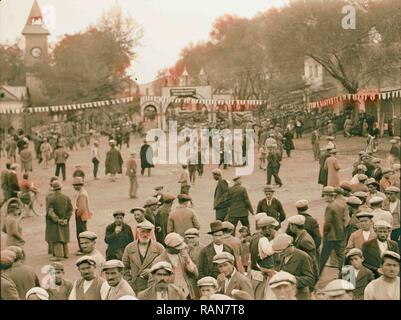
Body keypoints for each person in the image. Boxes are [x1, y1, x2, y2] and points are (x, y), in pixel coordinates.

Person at [122, 221, 165, 294]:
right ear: (137, 232)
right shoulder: (129, 247)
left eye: (148, 232)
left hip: (153, 286)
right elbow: (124, 267)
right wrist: (129, 282)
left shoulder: (159, 248)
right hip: (135, 287)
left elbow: (165, 266)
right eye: (142, 232)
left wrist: (152, 272)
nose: (145, 234)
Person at [153, 233, 198, 299]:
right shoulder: (159, 260)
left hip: (186, 293)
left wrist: (188, 260)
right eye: (177, 248)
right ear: (169, 247)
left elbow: (195, 274)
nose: (180, 249)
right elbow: (152, 282)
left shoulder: (183, 256)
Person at [272, 234, 315, 300]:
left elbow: (310, 279)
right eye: (279, 253)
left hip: (299, 294)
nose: (280, 254)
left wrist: (291, 279)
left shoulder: (303, 257)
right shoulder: (282, 255)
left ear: (290, 246)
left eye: (282, 252)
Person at [319, 186, 346, 276]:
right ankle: (346, 278)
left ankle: (315, 279)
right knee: (342, 258)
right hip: (340, 235)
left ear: (329, 196)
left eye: (325, 195)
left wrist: (325, 234)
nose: (324, 197)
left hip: (330, 237)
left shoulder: (330, 207)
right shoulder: (339, 205)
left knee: (322, 259)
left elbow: (328, 223)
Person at [45, 180, 73, 261]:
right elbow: (70, 210)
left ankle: (58, 255)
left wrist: (57, 220)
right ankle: (66, 254)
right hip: (65, 221)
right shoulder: (66, 197)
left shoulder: (51, 198)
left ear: (53, 188)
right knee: (64, 237)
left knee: (57, 238)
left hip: (54, 222)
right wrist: (66, 219)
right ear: (61, 188)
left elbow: (50, 211)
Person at [286, 215, 318, 279]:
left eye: (290, 225)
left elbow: (310, 260)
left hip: (307, 274)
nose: (289, 228)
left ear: (294, 226)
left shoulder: (305, 240)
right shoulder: (299, 236)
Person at [72, 177, 92, 255]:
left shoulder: (82, 194)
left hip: (81, 215)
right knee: (82, 231)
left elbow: (82, 208)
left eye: (75, 185)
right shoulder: (82, 192)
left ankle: (83, 249)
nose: (74, 187)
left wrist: (77, 214)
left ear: (79, 185)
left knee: (81, 233)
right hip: (83, 215)